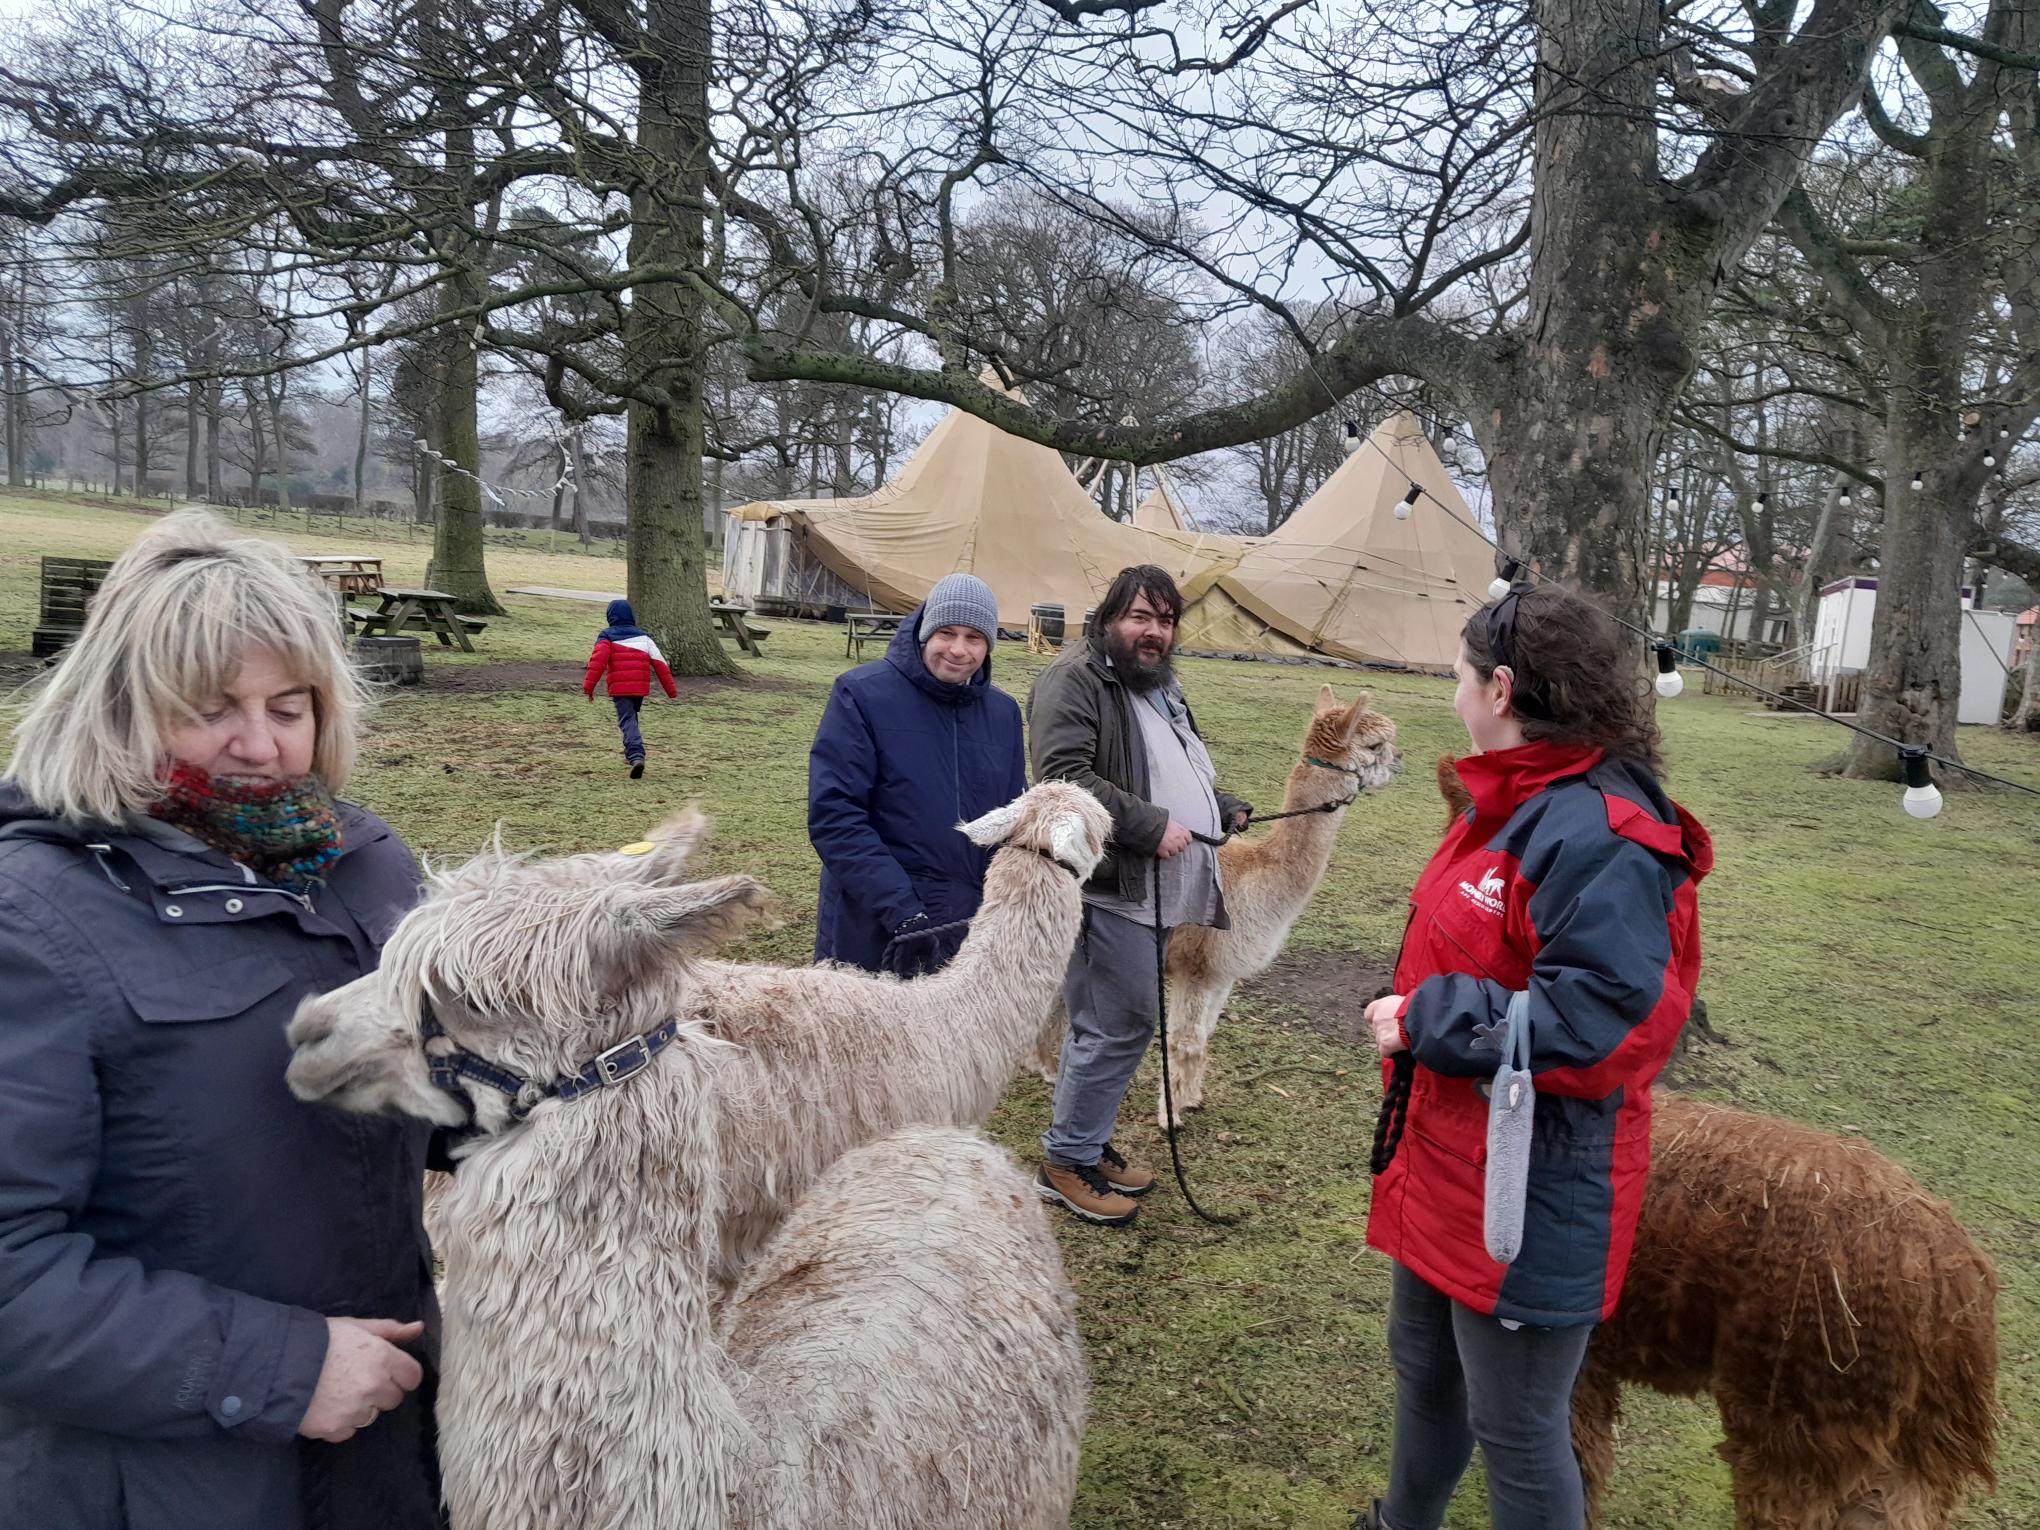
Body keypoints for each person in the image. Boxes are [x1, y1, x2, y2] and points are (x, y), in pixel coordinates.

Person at [0, 512, 441, 1530]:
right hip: (171, 1480)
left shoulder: (365, 869)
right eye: (212, 709)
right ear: (119, 708)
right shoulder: (33, 916)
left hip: (386, 1448)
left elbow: (420, 1101)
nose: (260, 744)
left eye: (291, 706)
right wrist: (279, 1371)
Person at [1352, 582, 1712, 1530]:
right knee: (1426, 1379)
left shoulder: (1602, 835)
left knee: (1515, 1426)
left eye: (1460, 675)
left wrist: (1429, 1018)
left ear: (1501, 688)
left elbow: (1600, 1021)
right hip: (1444, 1155)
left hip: (1534, 1185)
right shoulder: (1509, 799)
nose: (1453, 691)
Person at [1027, 565, 1251, 1226]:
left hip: (1155, 883)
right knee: (1115, 1020)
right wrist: (1151, 826)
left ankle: (1086, 1144)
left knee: (1120, 1021)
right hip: (1107, 886)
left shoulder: (1158, 683)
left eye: (1165, 620)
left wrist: (1218, 806)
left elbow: (1175, 766)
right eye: (1140, 618)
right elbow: (1064, 779)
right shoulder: (1074, 679)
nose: (1154, 632)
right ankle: (1066, 1162)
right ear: (1108, 618)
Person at [808, 572, 1026, 976]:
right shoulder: (862, 694)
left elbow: (1011, 817)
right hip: (875, 922)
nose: (959, 650)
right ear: (926, 632)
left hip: (967, 924)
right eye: (947, 632)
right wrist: (902, 912)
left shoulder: (1003, 714)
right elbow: (836, 817)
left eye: (974, 637)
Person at [583, 597, 679, 779]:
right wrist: (671, 690)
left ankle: (636, 755)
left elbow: (597, 663)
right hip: (640, 688)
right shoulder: (644, 637)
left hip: (620, 688)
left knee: (627, 720)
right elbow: (660, 663)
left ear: (610, 617)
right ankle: (630, 754)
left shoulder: (607, 636)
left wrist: (589, 687)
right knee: (631, 718)